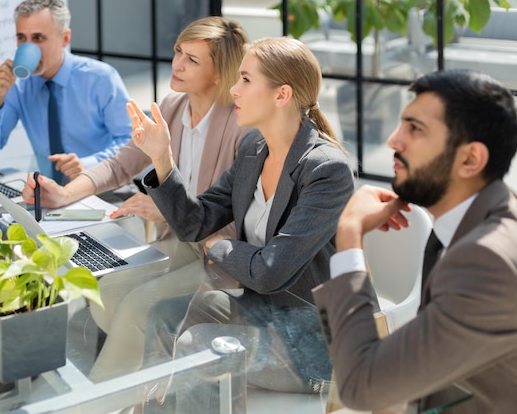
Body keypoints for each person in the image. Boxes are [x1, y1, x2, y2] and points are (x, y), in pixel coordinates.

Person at [128, 36, 355, 413]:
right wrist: (162, 158)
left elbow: (270, 271)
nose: (233, 89)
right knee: (164, 315)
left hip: (310, 343)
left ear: (281, 95)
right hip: (260, 316)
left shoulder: (326, 170)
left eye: (246, 80)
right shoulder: (253, 148)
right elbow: (195, 222)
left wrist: (216, 247)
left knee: (196, 346)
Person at [21, 16, 251, 382]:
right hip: (177, 243)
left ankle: (98, 404)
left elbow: (239, 222)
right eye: (179, 52)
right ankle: (155, 381)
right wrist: (64, 192)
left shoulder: (241, 127)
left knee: (139, 308)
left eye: (192, 60)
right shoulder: (172, 107)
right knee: (107, 290)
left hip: (215, 253)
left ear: (220, 74)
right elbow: (120, 164)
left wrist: (169, 212)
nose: (177, 63)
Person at [313, 70, 517, 414]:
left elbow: (363, 387)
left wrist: (349, 235)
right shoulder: (486, 215)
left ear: (470, 159)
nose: (394, 140)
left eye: (415, 129)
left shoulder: (485, 260)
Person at [0, 0, 131, 183]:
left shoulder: (100, 78)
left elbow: (131, 143)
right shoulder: (18, 86)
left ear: (65, 38)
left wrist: (87, 165)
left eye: (38, 38)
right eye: (22, 38)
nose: (28, 47)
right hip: (51, 196)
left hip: (104, 188)